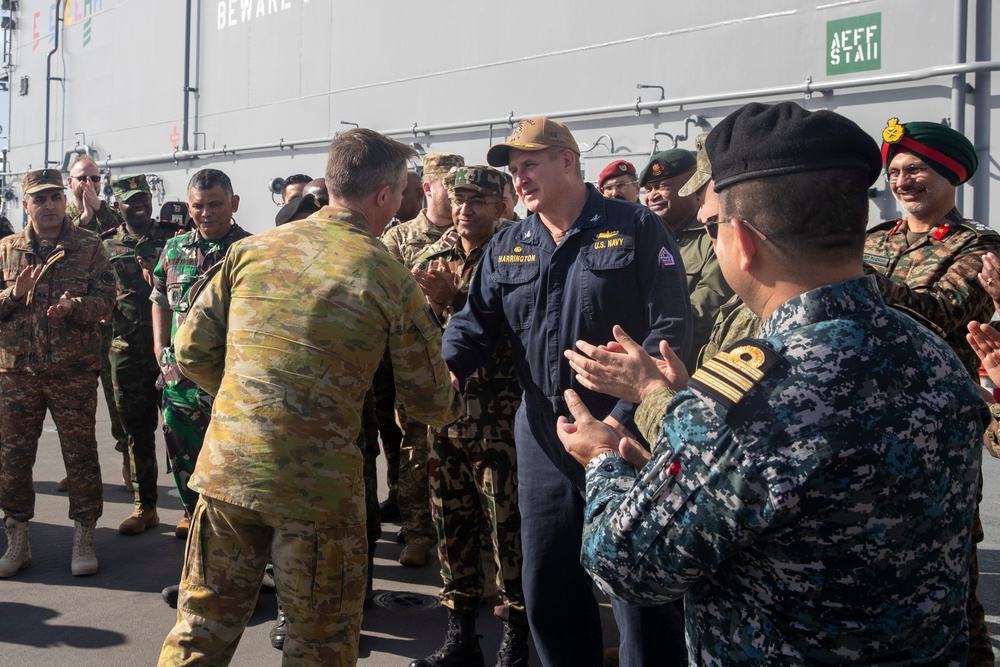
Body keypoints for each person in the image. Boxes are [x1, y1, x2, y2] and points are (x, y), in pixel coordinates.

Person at [557, 101, 987, 664]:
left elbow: (625, 565)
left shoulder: (747, 398)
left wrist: (603, 460)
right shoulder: (931, 349)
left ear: (744, 239)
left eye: (714, 229)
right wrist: (685, 417)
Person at [157, 127, 462, 667]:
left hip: (228, 470)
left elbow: (190, 351)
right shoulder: (388, 274)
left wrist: (249, 401)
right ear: (386, 197)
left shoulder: (251, 251)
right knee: (318, 645)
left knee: (200, 631)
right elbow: (430, 401)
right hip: (318, 494)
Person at [443, 117, 691, 667]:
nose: (520, 178)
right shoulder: (511, 243)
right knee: (548, 577)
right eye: (514, 170)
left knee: (635, 580)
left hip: (621, 431)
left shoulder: (635, 227)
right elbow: (472, 323)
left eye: (530, 164)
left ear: (568, 162)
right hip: (543, 434)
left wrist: (626, 413)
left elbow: (670, 325)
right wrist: (447, 372)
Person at [864, 117, 1000, 667]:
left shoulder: (981, 248)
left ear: (950, 174)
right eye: (894, 172)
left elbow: (943, 314)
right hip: (865, 418)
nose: (902, 181)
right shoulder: (872, 241)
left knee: (947, 569)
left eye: (916, 168)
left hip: (936, 428)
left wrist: (847, 275)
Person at [409, 165, 527, 667]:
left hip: (500, 419)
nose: (464, 209)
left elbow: (520, 328)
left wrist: (453, 301)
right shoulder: (432, 257)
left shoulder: (519, 255)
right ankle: (461, 638)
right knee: (450, 524)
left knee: (508, 531)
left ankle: (518, 638)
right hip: (447, 418)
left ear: (502, 206)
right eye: (458, 199)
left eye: (477, 200)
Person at [0, 169, 115, 577]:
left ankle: (84, 537)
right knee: (13, 459)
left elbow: (106, 302)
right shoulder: (7, 250)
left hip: (72, 373)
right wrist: (13, 295)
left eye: (54, 197)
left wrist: (74, 307)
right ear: (25, 205)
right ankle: (18, 539)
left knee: (81, 456)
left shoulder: (89, 247)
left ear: (64, 201)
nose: (47, 205)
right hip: (18, 374)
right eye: (39, 199)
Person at [151, 169, 251, 540]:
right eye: (198, 206)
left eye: (215, 204)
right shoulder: (174, 249)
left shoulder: (251, 251)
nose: (206, 213)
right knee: (184, 461)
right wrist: (161, 349)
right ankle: (198, 528)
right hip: (180, 384)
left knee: (237, 469)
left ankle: (239, 542)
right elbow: (159, 298)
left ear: (233, 204)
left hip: (231, 384)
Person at [381, 152, 465, 567]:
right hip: (419, 360)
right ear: (426, 188)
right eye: (447, 185)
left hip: (473, 366)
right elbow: (389, 297)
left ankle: (472, 547)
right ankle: (418, 532)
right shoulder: (397, 240)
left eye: (461, 186)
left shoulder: (487, 234)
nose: (455, 195)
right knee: (415, 450)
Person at [103, 174, 182, 535]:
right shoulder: (105, 245)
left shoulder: (174, 237)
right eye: (130, 201)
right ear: (117, 205)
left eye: (143, 198)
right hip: (127, 353)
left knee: (180, 429)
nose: (139, 205)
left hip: (170, 350)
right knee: (138, 433)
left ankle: (189, 506)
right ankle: (145, 506)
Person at [65, 154, 129, 490]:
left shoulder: (115, 216)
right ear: (70, 182)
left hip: (109, 326)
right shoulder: (60, 218)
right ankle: (77, 469)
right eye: (82, 178)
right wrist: (85, 219)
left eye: (94, 178)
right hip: (73, 327)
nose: (88, 184)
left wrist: (96, 215)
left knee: (118, 402)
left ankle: (128, 465)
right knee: (75, 407)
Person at [641, 148, 732, 372]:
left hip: (689, 364)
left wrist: (648, 332)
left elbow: (710, 301)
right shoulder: (644, 238)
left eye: (663, 186)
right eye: (649, 188)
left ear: (692, 187)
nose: (653, 195)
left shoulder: (712, 233)